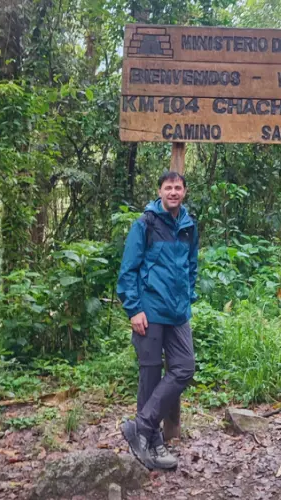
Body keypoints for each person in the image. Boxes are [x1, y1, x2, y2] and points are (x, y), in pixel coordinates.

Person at [116, 171, 199, 470]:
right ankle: (153, 441)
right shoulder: (146, 224)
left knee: (184, 368)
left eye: (178, 188)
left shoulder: (189, 225)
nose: (173, 192)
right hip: (149, 312)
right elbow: (127, 271)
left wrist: (188, 295)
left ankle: (141, 426)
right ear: (159, 191)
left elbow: (192, 264)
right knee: (150, 376)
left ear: (185, 192)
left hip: (178, 314)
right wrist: (134, 308)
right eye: (168, 188)